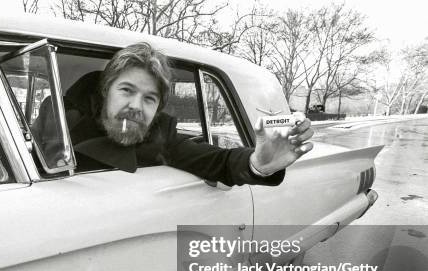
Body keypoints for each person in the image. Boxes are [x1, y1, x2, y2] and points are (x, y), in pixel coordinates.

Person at [60, 42, 314, 186]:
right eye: (127, 90)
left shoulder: (161, 139)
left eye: (149, 98)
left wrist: (258, 164)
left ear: (157, 109)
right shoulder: (61, 126)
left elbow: (221, 162)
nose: (136, 106)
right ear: (106, 92)